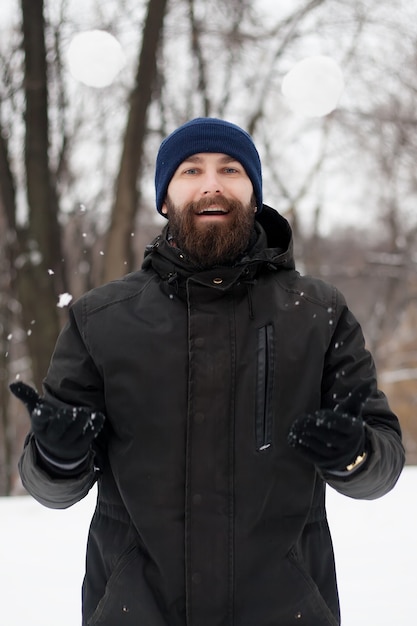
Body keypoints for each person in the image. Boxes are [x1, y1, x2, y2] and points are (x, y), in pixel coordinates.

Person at [11, 117, 404, 626]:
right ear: (165, 199)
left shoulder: (315, 312)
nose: (211, 183)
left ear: (254, 195)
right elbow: (49, 487)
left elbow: (383, 464)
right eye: (191, 170)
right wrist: (56, 458)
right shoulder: (100, 319)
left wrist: (355, 454)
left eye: (231, 169)